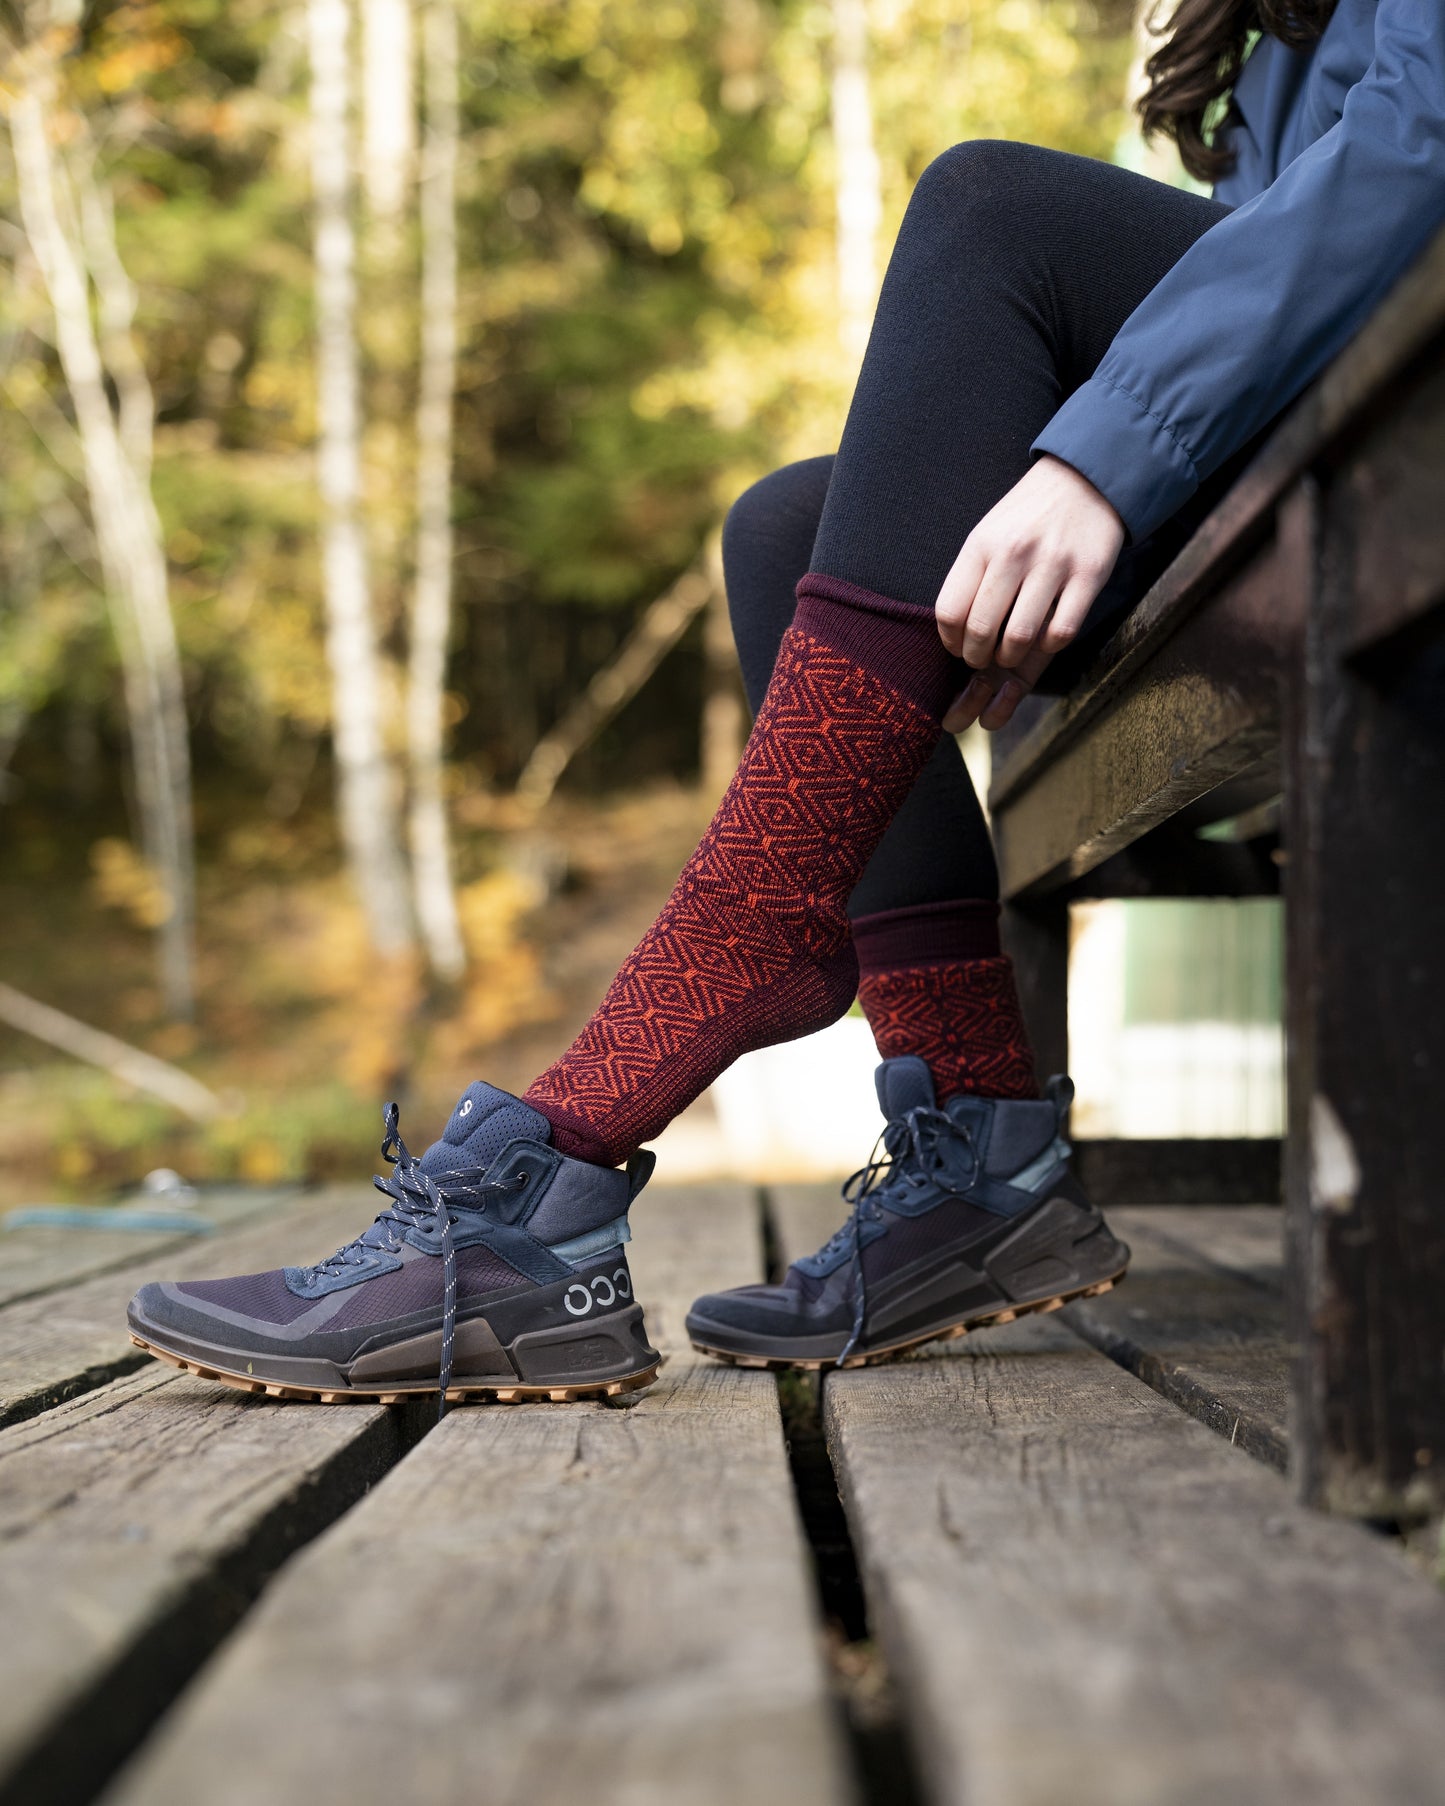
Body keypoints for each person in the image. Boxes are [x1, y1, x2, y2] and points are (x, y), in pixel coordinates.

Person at [127, 0, 1445, 1410]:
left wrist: (1102, 461)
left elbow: (1414, 148)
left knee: (991, 207)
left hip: (1407, 416)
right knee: (785, 525)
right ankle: (982, 1149)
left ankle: (689, 1009)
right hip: (1329, 445)